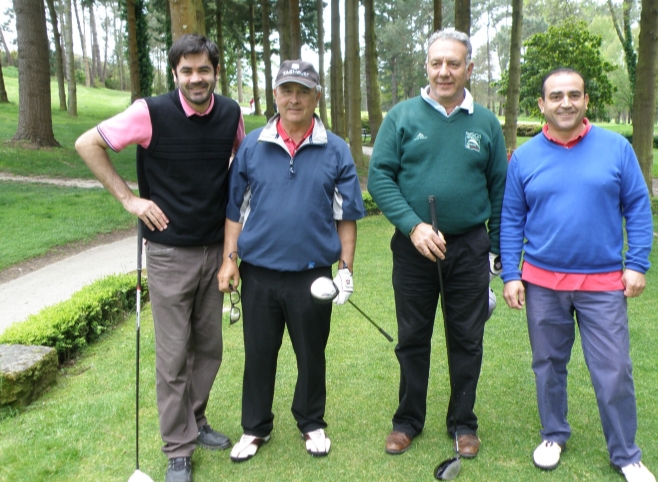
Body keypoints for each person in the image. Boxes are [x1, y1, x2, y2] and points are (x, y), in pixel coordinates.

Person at [75, 34, 245, 482]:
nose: (195, 78)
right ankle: (177, 448)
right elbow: (86, 144)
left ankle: (196, 419)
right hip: (169, 252)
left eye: (203, 70)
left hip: (215, 249)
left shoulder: (231, 114)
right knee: (172, 357)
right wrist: (130, 200)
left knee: (209, 348)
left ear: (215, 71)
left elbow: (240, 168)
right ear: (175, 74)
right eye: (186, 70)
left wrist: (234, 247)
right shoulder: (148, 113)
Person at [499, 67, 655, 482]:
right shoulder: (525, 157)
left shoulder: (616, 148)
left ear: (586, 101)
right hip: (542, 283)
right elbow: (512, 218)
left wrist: (637, 262)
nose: (565, 102)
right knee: (548, 364)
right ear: (542, 105)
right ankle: (553, 433)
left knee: (614, 369)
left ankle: (625, 454)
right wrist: (511, 273)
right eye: (556, 96)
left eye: (573, 94)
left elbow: (637, 207)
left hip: (603, 283)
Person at [367, 28, 508, 458]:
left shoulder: (485, 123)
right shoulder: (402, 117)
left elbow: (500, 189)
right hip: (414, 246)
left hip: (468, 247)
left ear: (469, 67)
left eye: (453, 63)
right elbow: (380, 177)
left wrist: (501, 247)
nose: (443, 71)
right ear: (425, 66)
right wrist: (413, 226)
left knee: (467, 337)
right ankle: (408, 419)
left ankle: (463, 422)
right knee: (413, 336)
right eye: (436, 63)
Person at [217, 60, 366, 462]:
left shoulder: (335, 149)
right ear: (276, 95)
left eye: (303, 91)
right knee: (259, 353)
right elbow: (235, 210)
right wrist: (230, 260)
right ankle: (255, 427)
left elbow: (345, 217)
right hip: (259, 273)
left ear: (317, 96)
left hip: (312, 275)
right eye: (287, 90)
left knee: (311, 353)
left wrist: (345, 269)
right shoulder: (252, 145)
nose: (294, 99)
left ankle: (311, 421)